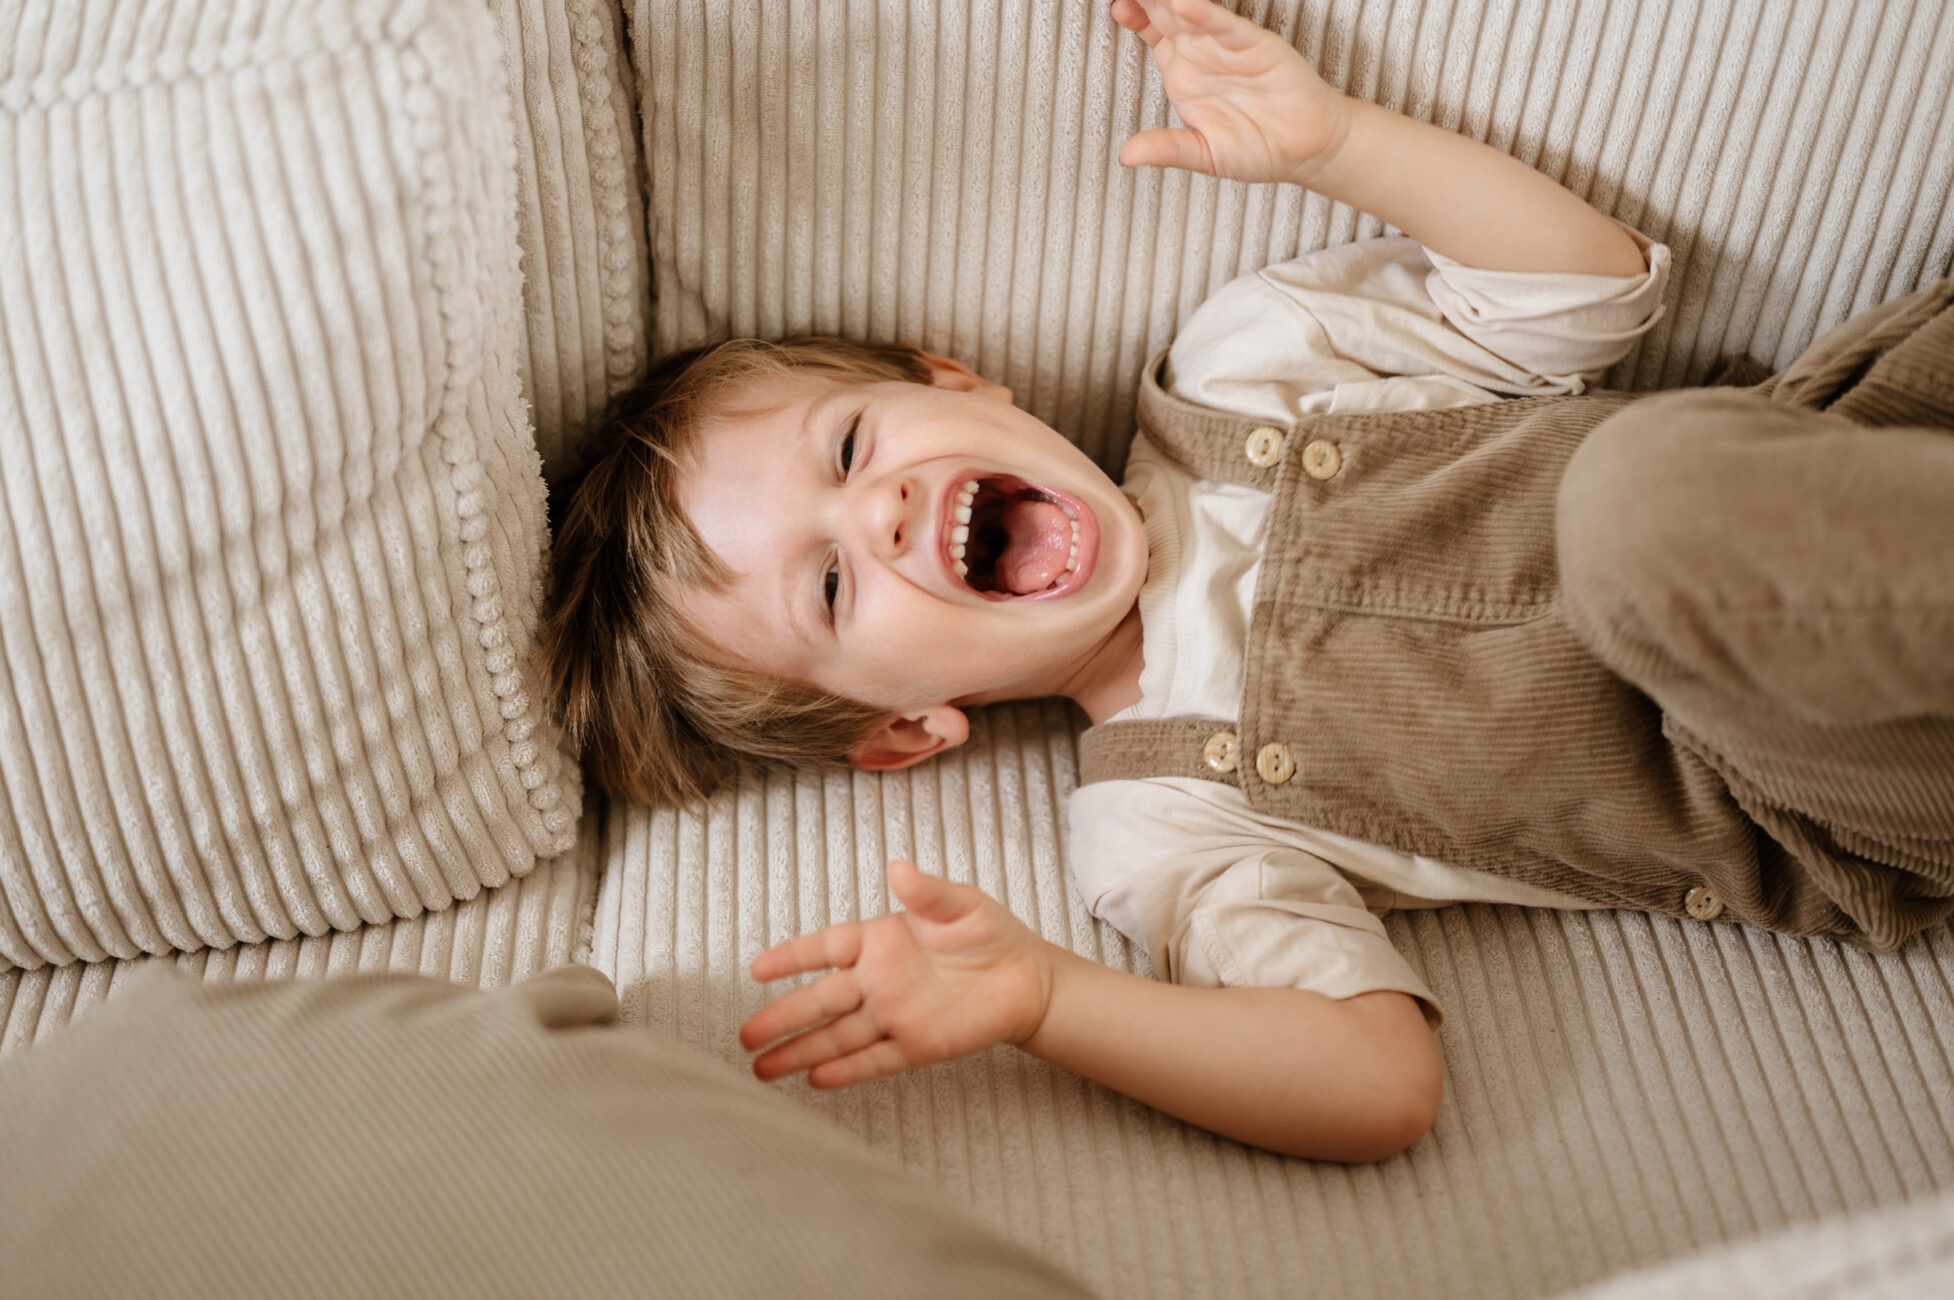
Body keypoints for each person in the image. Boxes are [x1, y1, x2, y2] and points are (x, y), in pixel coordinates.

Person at [540, 0, 1954, 1162]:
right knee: (1645, 509)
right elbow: (1369, 1080)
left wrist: (1338, 144)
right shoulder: (1162, 823)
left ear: (953, 379)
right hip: (1830, 765)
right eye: (834, 590)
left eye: (851, 448)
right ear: (905, 730)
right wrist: (1044, 996)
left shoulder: (1248, 361)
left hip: (1861, 445)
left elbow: (1583, 287)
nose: (889, 511)